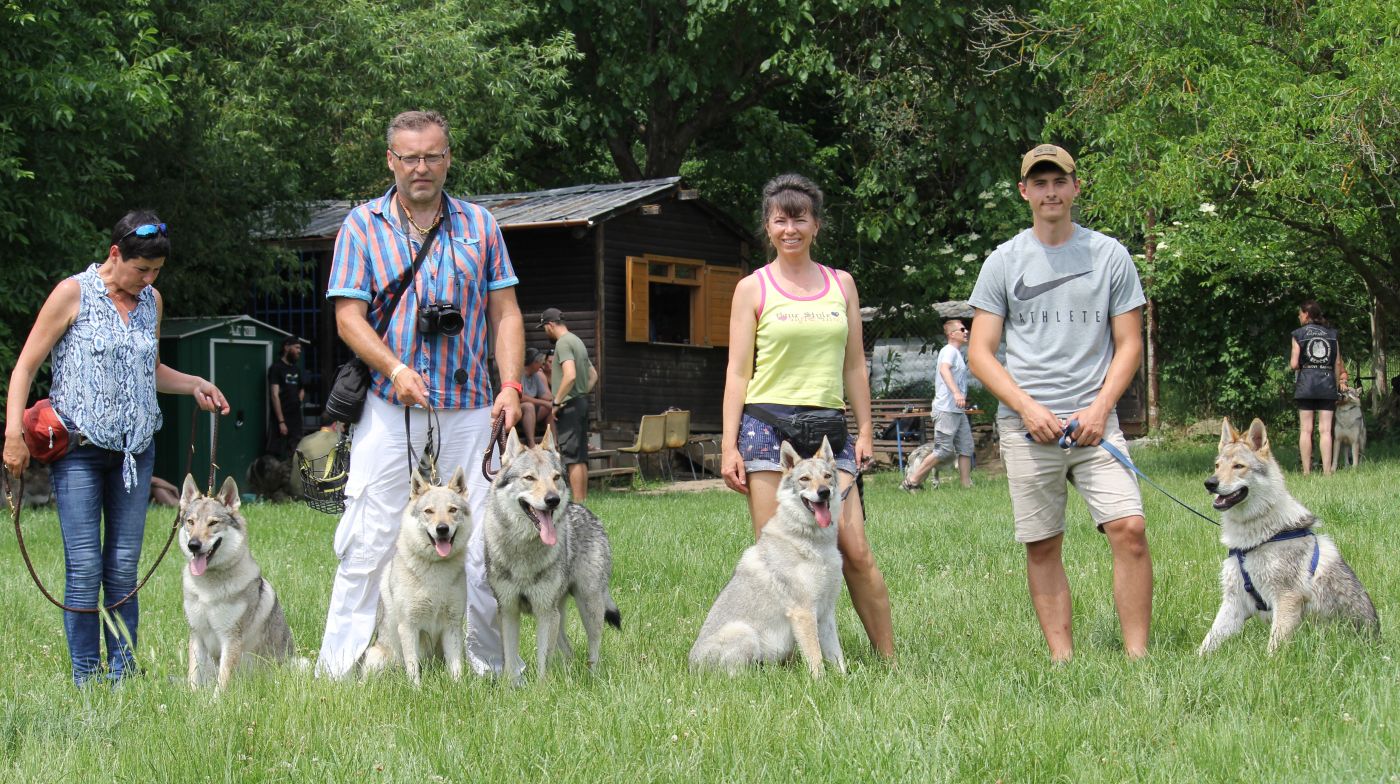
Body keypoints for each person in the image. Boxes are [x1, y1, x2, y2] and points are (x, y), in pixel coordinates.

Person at [316, 110, 524, 679]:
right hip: (389, 400)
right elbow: (348, 318)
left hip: (470, 402)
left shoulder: (481, 225)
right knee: (370, 531)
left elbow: (505, 313)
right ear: (391, 161)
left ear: (448, 158)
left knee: (479, 538)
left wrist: (510, 386)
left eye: (432, 156)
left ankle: (486, 663)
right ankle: (341, 664)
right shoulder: (362, 225)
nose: (421, 168)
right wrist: (394, 365)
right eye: (409, 157)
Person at [3, 211, 230, 685]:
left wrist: (194, 385)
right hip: (79, 453)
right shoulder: (73, 293)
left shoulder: (151, 301)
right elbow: (24, 367)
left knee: (124, 569)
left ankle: (123, 675)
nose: (147, 280)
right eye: (140, 269)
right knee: (85, 568)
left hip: (135, 454)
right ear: (114, 255)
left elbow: (152, 370)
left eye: (155, 272)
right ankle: (87, 677)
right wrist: (12, 435)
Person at [967, 144, 1152, 662]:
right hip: (1030, 426)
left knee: (1130, 529)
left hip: (1095, 422)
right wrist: (1027, 408)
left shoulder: (1109, 255)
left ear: (1075, 188)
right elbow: (981, 354)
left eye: (1060, 182)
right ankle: (1063, 661)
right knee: (1044, 543)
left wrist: (1099, 410)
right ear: (1025, 192)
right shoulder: (1003, 261)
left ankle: (1139, 657)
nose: (1051, 192)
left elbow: (1130, 343)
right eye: (1040, 183)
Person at [721, 173, 895, 660]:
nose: (790, 228)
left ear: (816, 224)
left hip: (828, 431)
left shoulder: (842, 284)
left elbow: (855, 364)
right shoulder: (751, 288)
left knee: (854, 550)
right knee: (779, 554)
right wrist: (728, 444)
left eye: (800, 218)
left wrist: (863, 430)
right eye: (780, 219)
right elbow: (737, 371)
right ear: (768, 227)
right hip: (765, 427)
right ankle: (793, 657)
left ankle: (890, 659)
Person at [902, 318, 975, 490]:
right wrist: (957, 392)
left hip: (957, 410)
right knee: (942, 450)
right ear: (952, 334)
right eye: (962, 329)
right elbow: (944, 369)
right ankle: (911, 481)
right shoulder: (949, 350)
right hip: (946, 409)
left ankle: (966, 485)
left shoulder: (957, 353)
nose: (967, 332)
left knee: (966, 446)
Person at [539, 308, 597, 501]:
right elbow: (593, 376)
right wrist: (580, 393)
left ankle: (578, 503)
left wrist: (557, 401)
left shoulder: (563, 343)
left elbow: (570, 375)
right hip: (580, 403)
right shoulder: (577, 341)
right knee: (580, 456)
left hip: (569, 406)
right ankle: (582, 501)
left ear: (550, 325)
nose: (545, 332)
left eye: (544, 328)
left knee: (571, 457)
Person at [1290, 299, 1348, 475]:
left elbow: (1293, 364)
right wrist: (1338, 385)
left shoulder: (1298, 334)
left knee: (1306, 430)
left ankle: (1307, 472)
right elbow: (1337, 363)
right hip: (1326, 384)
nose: (1299, 317)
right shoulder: (1332, 334)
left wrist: (1305, 365)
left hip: (1306, 385)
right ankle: (1327, 472)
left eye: (1300, 314)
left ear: (1306, 314)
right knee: (1325, 431)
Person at [266, 336, 305, 458]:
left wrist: (299, 400)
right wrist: (281, 421)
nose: (299, 351)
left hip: (296, 418)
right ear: (287, 347)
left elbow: (302, 388)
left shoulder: (296, 369)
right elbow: (274, 395)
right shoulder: (276, 368)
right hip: (282, 418)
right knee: (278, 451)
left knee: (296, 450)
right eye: (297, 347)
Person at [518, 346, 554, 448]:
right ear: (534, 363)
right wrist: (543, 402)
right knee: (529, 406)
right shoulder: (520, 374)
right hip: (518, 411)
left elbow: (543, 394)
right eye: (540, 363)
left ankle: (554, 442)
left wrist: (555, 399)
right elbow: (521, 397)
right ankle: (531, 442)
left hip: (533, 410)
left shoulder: (536, 375)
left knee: (551, 407)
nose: (541, 366)